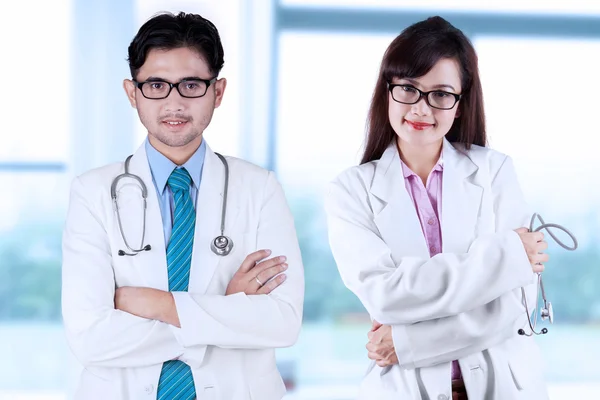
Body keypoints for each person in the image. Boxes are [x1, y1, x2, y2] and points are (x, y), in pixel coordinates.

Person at [62, 11, 304, 400]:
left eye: (191, 85)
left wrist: (156, 304)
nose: (174, 103)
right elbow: (89, 337)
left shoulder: (260, 188)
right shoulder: (92, 192)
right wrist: (224, 312)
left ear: (218, 92)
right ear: (131, 92)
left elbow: (282, 323)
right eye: (156, 85)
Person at [325, 16, 549, 400]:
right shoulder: (350, 189)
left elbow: (514, 307)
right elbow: (386, 297)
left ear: (459, 105)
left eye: (441, 94)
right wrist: (502, 259)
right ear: (388, 92)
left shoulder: (495, 171)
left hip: (506, 386)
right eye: (409, 89)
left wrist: (408, 341)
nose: (422, 109)